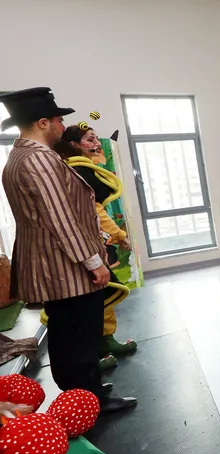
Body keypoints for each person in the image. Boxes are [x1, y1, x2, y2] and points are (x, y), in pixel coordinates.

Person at [0, 87, 135, 414]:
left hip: (53, 262)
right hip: (65, 266)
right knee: (80, 335)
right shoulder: (39, 159)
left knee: (67, 332)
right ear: (43, 123)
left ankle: (81, 394)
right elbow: (61, 218)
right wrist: (94, 262)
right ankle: (90, 402)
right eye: (59, 120)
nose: (63, 126)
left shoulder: (19, 156)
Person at [53, 125, 138, 359]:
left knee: (103, 293)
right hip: (80, 249)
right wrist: (120, 235)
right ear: (75, 145)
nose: (98, 143)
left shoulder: (84, 169)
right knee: (90, 300)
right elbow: (95, 210)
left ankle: (107, 341)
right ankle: (93, 353)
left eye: (96, 138)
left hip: (93, 244)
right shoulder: (78, 171)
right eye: (90, 139)